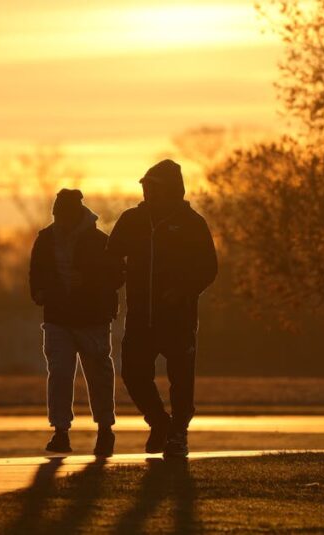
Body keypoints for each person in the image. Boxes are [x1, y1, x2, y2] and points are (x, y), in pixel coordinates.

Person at [106, 159, 218, 458]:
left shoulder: (193, 223)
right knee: (133, 373)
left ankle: (178, 434)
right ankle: (159, 422)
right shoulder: (131, 220)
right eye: (145, 187)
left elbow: (209, 267)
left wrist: (182, 291)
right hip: (140, 317)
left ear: (172, 190)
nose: (148, 193)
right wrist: (110, 280)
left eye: (155, 188)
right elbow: (111, 258)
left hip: (178, 318)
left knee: (181, 380)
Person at [29, 188, 124, 457]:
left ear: (75, 215)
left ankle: (105, 430)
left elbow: (117, 276)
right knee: (60, 374)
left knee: (98, 375)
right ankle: (61, 432)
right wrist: (39, 293)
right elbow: (35, 272)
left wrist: (89, 283)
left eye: (63, 216)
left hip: (91, 318)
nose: (59, 222)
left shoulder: (99, 241)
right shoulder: (46, 239)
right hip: (58, 318)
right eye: (57, 216)